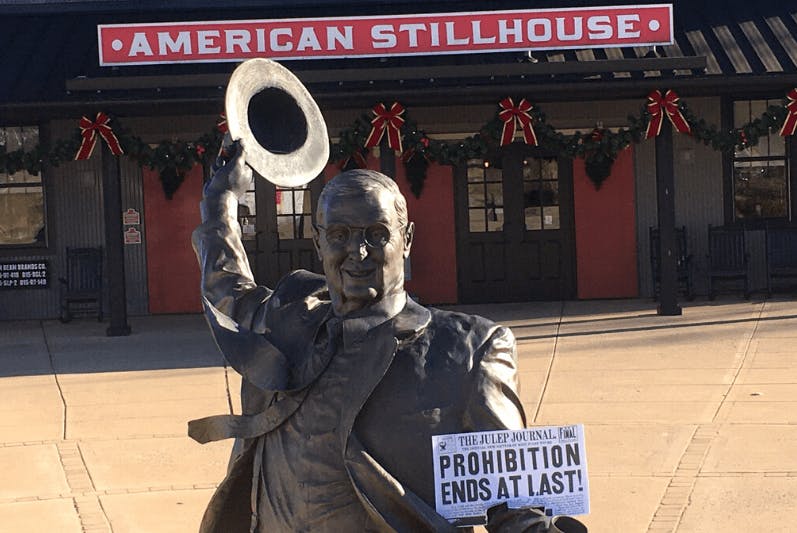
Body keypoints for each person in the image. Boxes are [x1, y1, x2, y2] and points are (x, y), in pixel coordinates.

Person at [189, 141, 586, 533]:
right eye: (339, 235)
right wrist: (221, 200)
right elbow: (226, 289)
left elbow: (511, 496)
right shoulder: (286, 323)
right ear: (318, 243)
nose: (357, 253)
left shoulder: (468, 349)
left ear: (407, 240)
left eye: (376, 235)